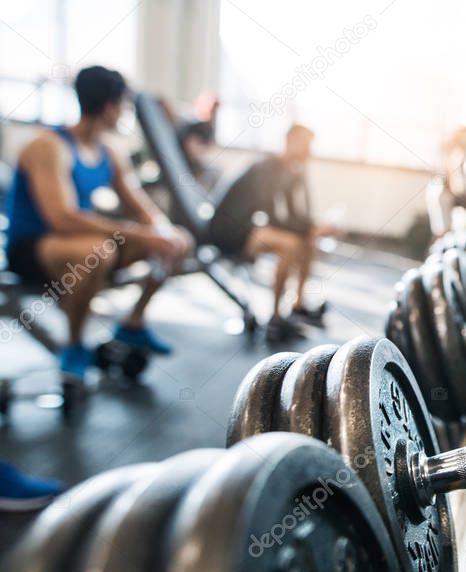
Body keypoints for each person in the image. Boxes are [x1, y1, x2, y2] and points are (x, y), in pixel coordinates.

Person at [3, 65, 193, 380]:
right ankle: (74, 344)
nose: (124, 114)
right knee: (98, 251)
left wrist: (162, 231)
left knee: (179, 239)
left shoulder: (109, 152)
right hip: (32, 247)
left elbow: (138, 205)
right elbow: (61, 218)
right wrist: (138, 235)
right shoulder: (49, 147)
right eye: (123, 107)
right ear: (110, 107)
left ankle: (133, 323)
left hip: (81, 245)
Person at [207, 124, 330, 340]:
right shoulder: (267, 168)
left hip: (248, 228)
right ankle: (275, 317)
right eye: (306, 146)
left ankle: (298, 306)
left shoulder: (290, 172)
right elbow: (274, 218)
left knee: (308, 241)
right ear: (291, 141)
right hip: (226, 231)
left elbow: (294, 215)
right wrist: (311, 228)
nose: (309, 152)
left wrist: (312, 229)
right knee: (289, 244)